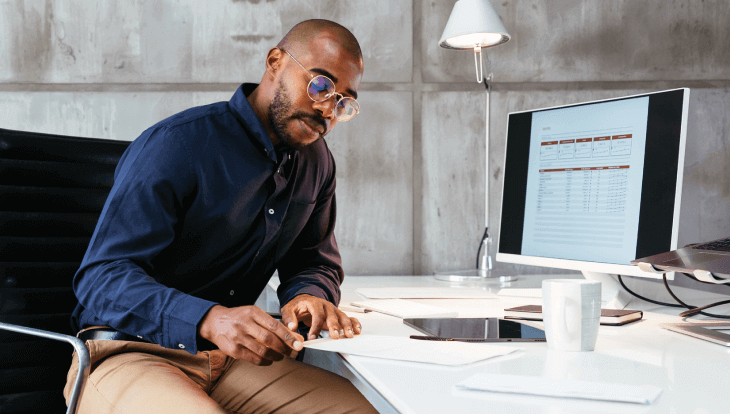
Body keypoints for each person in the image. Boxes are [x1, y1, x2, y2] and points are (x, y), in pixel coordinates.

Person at [64, 19, 377, 414]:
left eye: (342, 102)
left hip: (231, 362)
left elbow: (313, 259)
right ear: (275, 62)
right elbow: (100, 278)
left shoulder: (317, 164)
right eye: (320, 85)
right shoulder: (178, 145)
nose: (326, 110)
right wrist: (208, 319)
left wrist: (308, 295)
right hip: (128, 352)